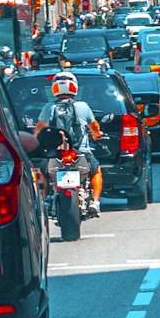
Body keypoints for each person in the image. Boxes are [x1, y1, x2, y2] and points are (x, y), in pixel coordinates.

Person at [34, 71, 105, 216]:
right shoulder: (83, 106)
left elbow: (39, 130)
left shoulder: (49, 108)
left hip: (55, 155)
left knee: (42, 171)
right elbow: (95, 128)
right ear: (74, 87)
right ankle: (95, 202)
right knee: (96, 170)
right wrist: (97, 135)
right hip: (81, 153)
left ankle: (42, 201)